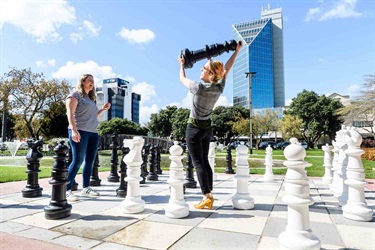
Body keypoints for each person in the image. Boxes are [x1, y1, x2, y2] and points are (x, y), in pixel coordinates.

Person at [178, 40, 242, 209]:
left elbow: (182, 78)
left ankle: (206, 195)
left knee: (197, 162)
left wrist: (182, 65)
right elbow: (227, 68)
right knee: (205, 161)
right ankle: (209, 194)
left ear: (210, 73)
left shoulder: (198, 87)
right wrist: (236, 52)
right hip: (207, 129)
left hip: (193, 128)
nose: (201, 69)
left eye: (204, 68)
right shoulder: (219, 87)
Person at [65, 74, 111, 201]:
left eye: (93, 81)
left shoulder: (90, 99)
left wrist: (102, 110)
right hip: (80, 131)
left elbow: (92, 116)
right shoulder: (74, 95)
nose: (92, 83)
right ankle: (66, 190)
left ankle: (85, 188)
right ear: (83, 82)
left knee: (90, 161)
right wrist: (74, 131)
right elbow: (70, 114)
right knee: (77, 160)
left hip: (92, 133)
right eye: (90, 80)